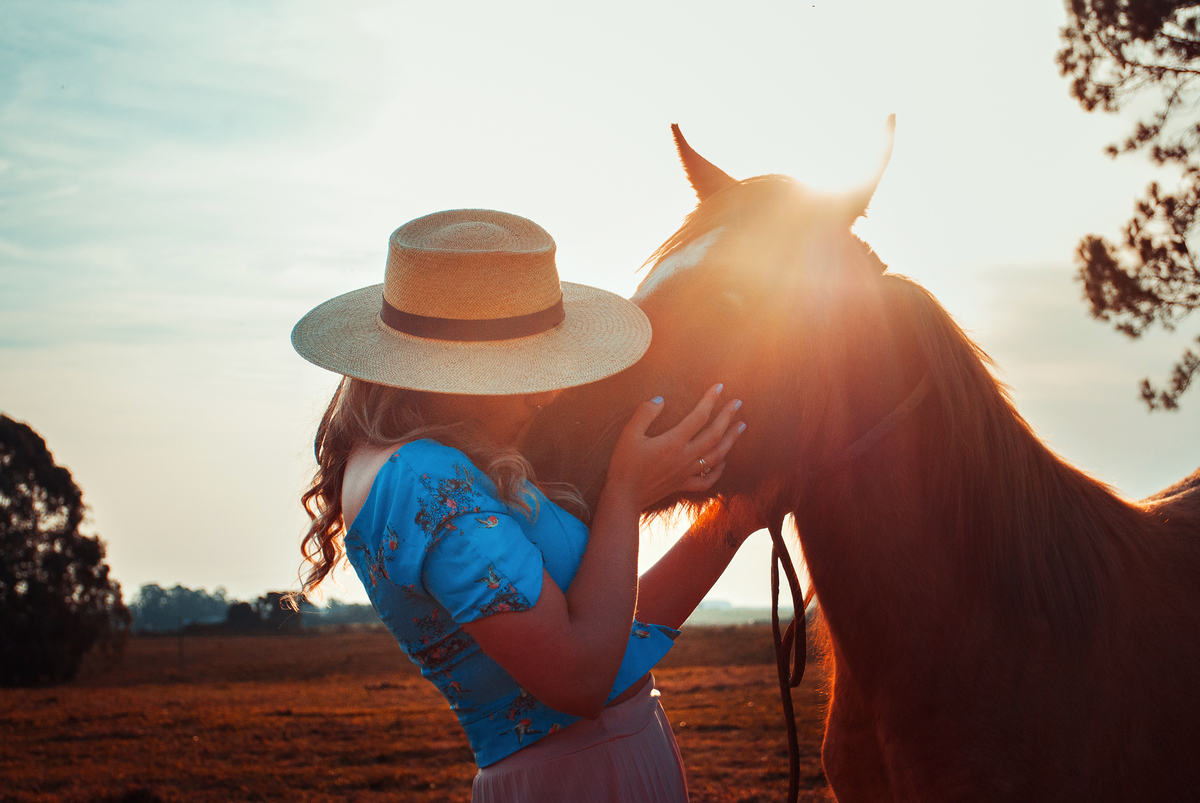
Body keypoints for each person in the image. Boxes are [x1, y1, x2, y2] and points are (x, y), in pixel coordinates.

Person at [292, 209, 761, 802]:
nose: (552, 392)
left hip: (599, 767)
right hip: (579, 783)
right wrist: (626, 491)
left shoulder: (431, 465)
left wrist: (736, 521)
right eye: (533, 368)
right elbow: (582, 679)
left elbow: (614, 634)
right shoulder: (421, 480)